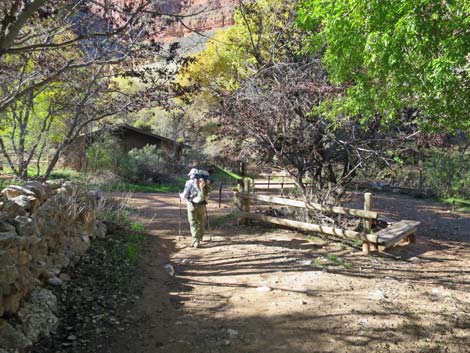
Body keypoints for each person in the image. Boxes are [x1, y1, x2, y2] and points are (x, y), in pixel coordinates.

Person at [179, 168, 212, 248]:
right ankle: (200, 237)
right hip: (202, 205)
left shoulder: (189, 182)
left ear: (191, 175)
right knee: (201, 221)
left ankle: (195, 240)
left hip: (192, 204)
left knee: (193, 222)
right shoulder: (204, 182)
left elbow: (185, 195)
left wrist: (180, 195)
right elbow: (208, 194)